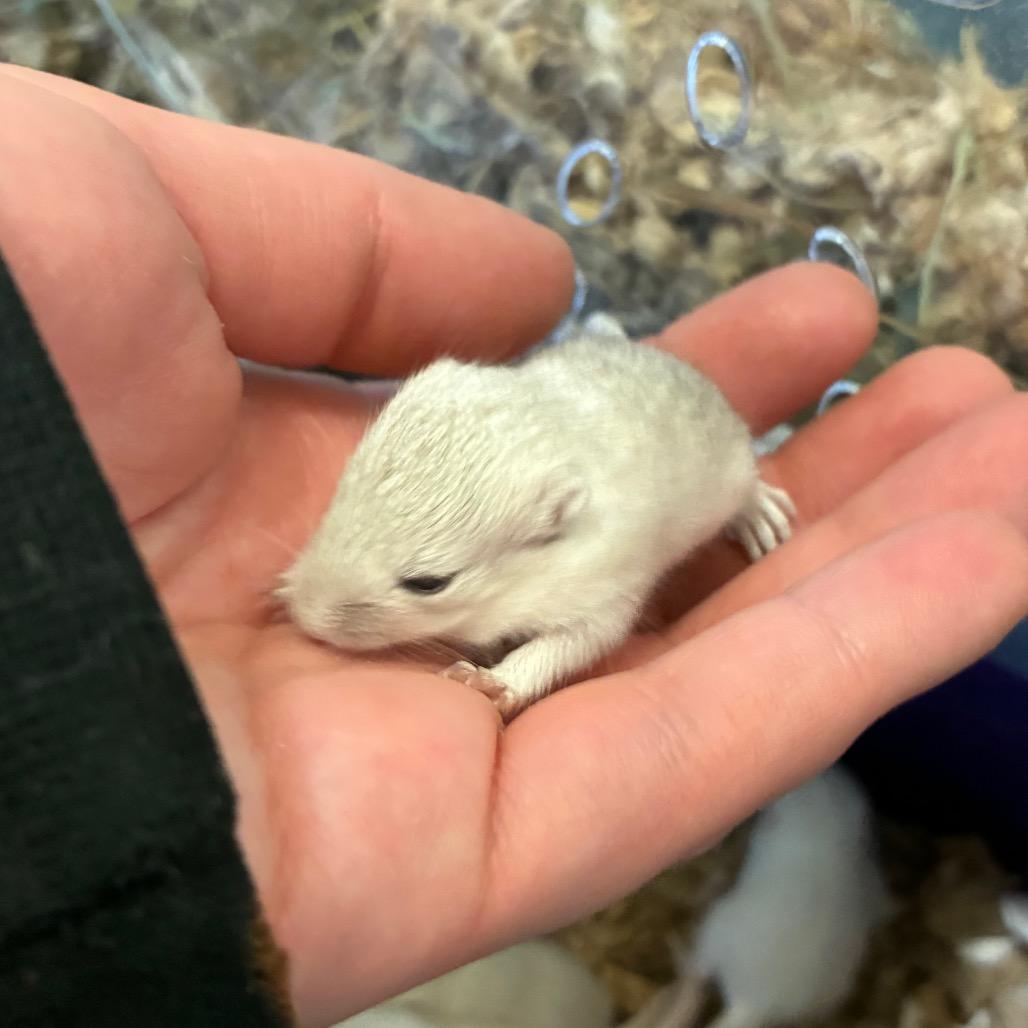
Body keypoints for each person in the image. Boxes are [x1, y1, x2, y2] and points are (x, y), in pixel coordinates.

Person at [1, 64, 1026, 1028]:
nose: (325, 610)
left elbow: (594, 621)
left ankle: (745, 484)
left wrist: (522, 670)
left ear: (552, 526)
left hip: (691, 443)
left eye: (424, 581)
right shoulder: (449, 440)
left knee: (730, 473)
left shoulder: (590, 530)